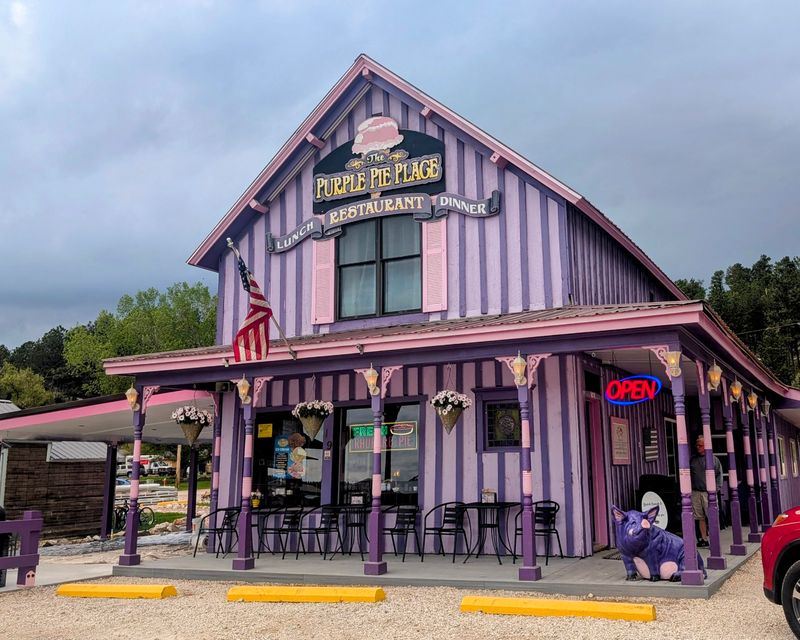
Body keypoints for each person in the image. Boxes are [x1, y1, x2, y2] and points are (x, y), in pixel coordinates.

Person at [690, 435, 723, 547]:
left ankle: (715, 541)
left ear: (706, 446)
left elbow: (719, 475)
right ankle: (703, 539)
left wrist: (716, 489)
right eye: (697, 445)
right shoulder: (693, 460)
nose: (697, 447)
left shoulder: (713, 460)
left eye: (700, 445)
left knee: (712, 516)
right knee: (700, 517)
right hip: (695, 492)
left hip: (708, 493)